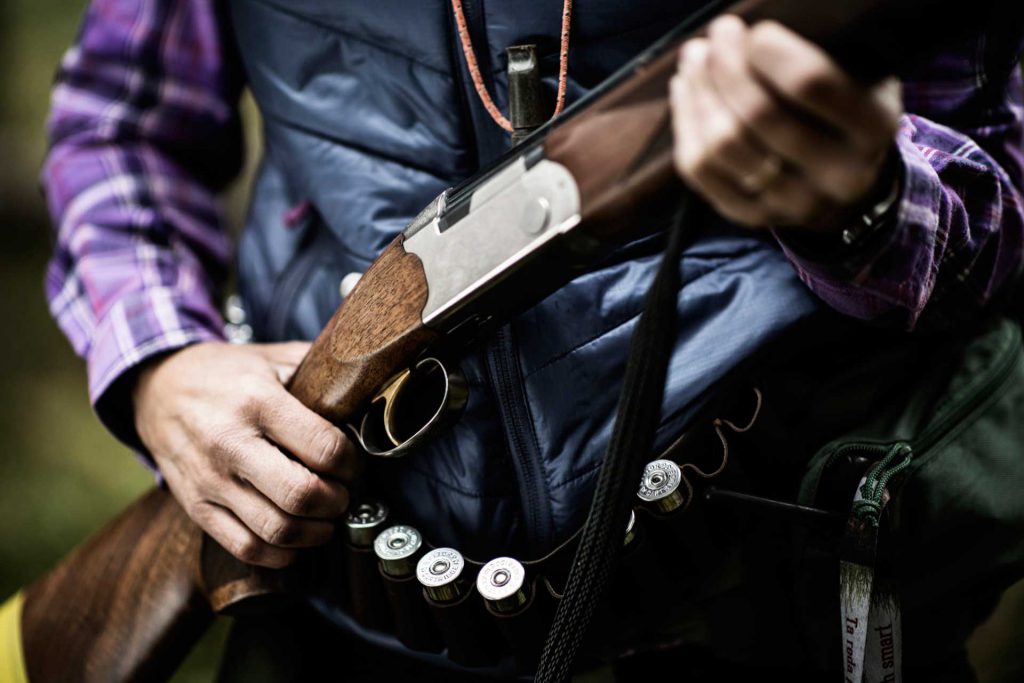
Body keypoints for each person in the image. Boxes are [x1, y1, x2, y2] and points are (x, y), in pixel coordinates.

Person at [41, 0, 1024, 678]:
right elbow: (120, 125)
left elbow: (992, 192)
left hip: (754, 597)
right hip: (332, 591)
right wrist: (162, 367)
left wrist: (868, 209)